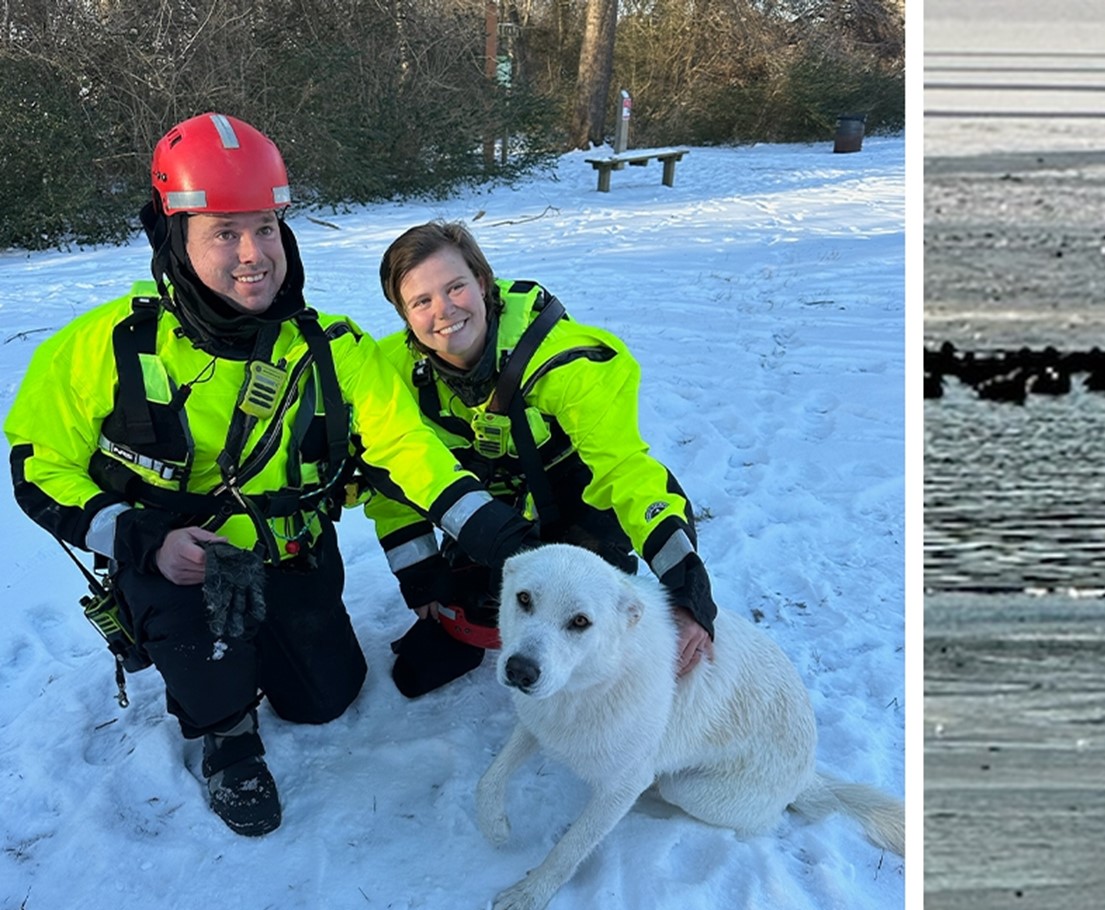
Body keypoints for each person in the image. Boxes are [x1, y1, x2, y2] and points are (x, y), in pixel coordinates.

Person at [4, 114, 534, 837]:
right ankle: (224, 735)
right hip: (180, 571)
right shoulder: (104, 346)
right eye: (224, 232)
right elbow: (38, 464)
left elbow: (413, 454)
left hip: (287, 558)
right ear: (174, 237)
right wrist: (143, 538)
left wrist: (512, 542)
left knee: (325, 699)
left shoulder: (333, 351)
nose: (254, 254)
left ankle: (260, 656)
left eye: (266, 227)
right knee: (206, 650)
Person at [370, 220, 716, 698]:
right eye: (421, 301)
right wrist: (423, 579)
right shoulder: (391, 375)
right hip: (483, 510)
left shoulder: (566, 361)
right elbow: (392, 482)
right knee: (445, 638)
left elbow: (624, 472)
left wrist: (687, 590)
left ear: (483, 283)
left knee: (579, 596)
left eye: (456, 288)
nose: (444, 311)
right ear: (403, 314)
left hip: (570, 495)